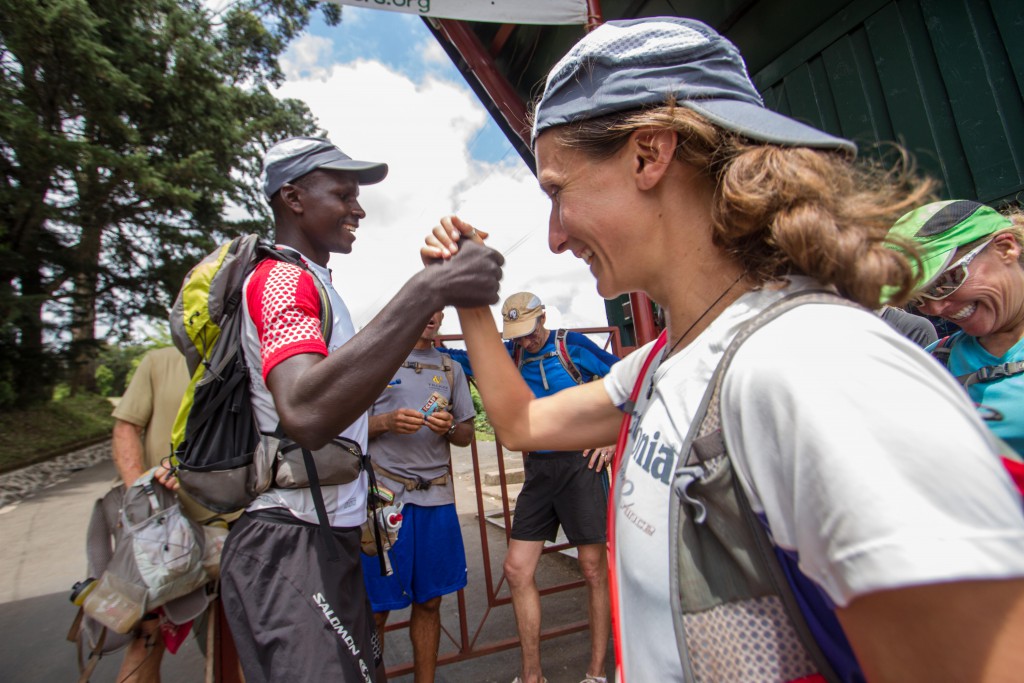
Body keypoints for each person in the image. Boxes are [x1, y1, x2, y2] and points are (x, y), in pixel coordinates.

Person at [422, 17, 1024, 683]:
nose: (556, 236)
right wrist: (468, 298)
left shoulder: (813, 365)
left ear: (650, 154)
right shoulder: (663, 362)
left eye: (558, 192)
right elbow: (522, 422)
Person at [218, 136, 503, 683]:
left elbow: (349, 384)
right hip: (291, 540)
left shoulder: (318, 284)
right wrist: (427, 289)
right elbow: (304, 410)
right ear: (293, 198)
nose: (359, 208)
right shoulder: (282, 279)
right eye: (343, 194)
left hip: (325, 534)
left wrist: (431, 287)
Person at [495, 291, 617, 683]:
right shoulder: (511, 354)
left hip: (581, 463)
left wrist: (613, 436)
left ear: (543, 317)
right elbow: (465, 362)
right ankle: (533, 676)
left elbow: (631, 381)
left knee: (593, 568)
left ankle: (596, 673)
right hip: (539, 469)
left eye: (529, 333)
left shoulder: (570, 345)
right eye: (516, 336)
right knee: (516, 568)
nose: (524, 342)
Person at [361, 309, 475, 683]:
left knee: (429, 602)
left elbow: (466, 435)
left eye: (437, 308)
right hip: (383, 504)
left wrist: (450, 428)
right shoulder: (377, 363)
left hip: (437, 501)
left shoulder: (449, 368)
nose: (430, 316)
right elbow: (348, 430)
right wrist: (385, 423)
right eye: (421, 306)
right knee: (375, 610)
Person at [110, 345, 215, 682]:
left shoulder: (248, 354)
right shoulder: (160, 361)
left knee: (234, 646)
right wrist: (139, 495)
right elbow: (126, 427)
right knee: (146, 640)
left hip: (229, 533)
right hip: (161, 536)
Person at [887, 199, 1024, 454]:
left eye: (946, 282)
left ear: (1006, 248)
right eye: (919, 298)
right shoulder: (931, 366)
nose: (935, 309)